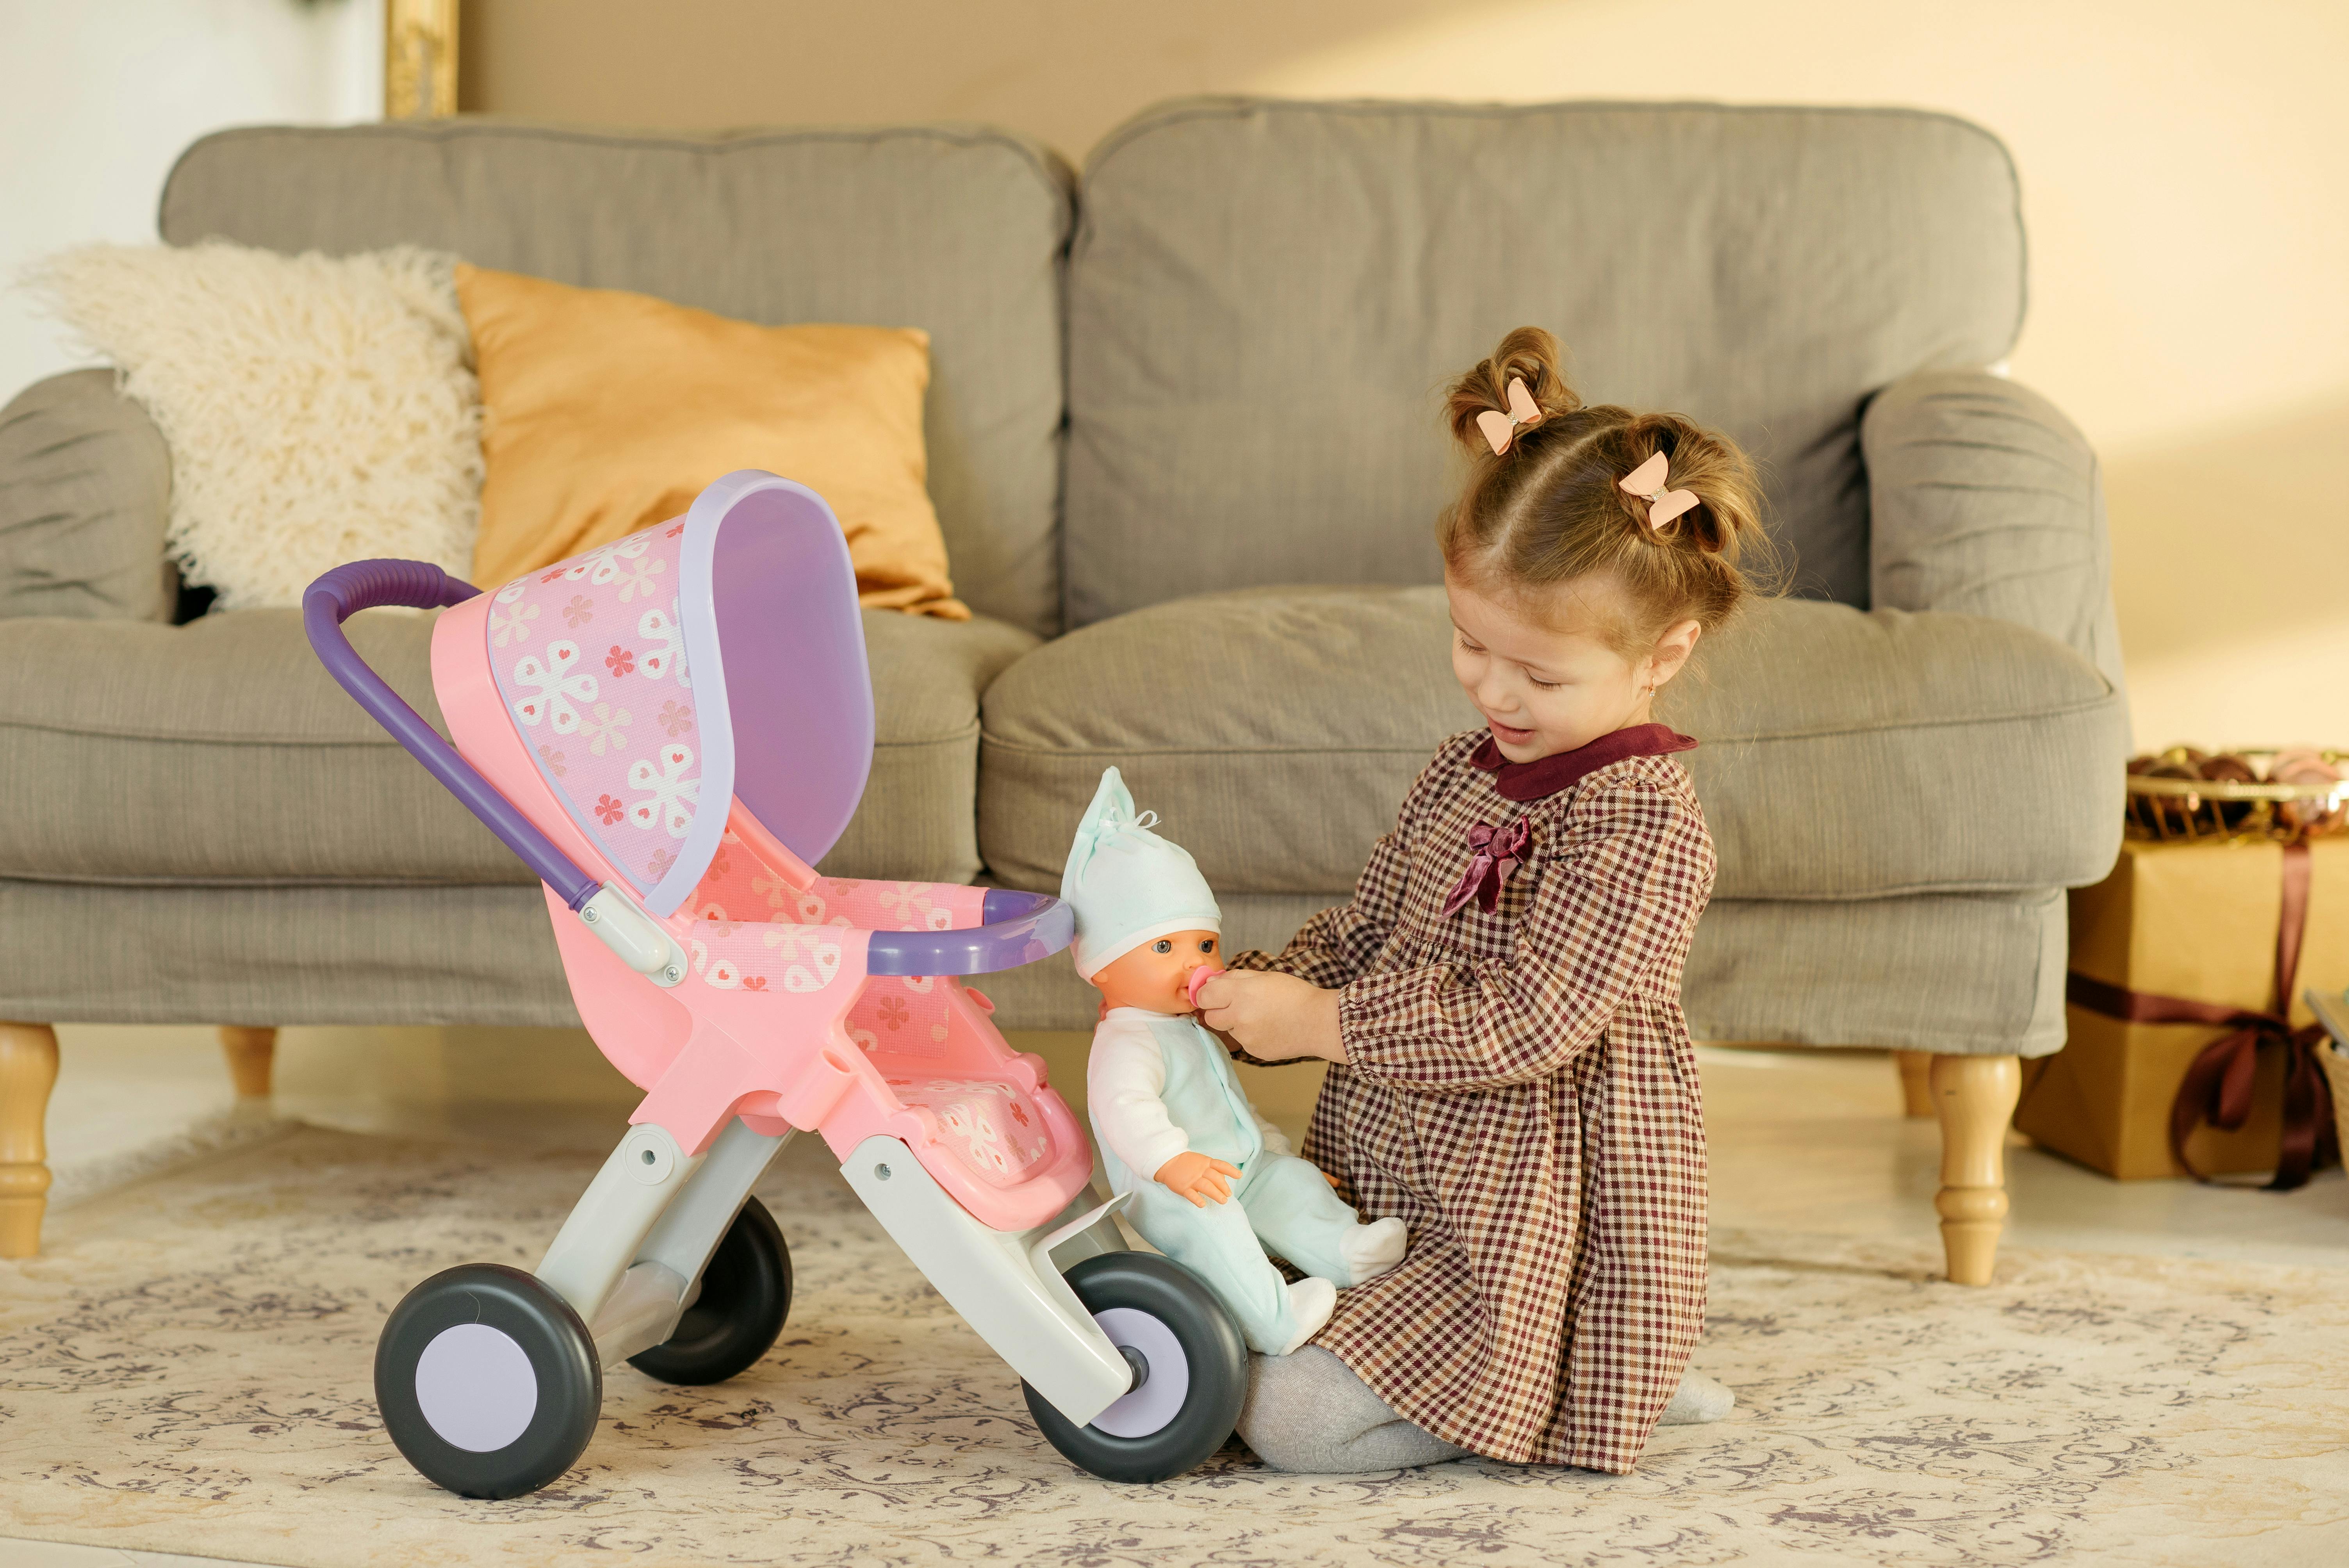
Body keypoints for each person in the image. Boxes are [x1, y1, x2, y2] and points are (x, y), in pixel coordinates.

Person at [1198, 325, 1762, 1475]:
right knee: (1241, 1319)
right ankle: (1555, 1381)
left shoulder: (1645, 827)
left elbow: (1527, 1020)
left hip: (1531, 1207)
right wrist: (1259, 982)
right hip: (1408, 1177)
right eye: (1470, 644)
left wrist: (1325, 1027)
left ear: (1661, 656)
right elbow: (1372, 927)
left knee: (1283, 1425)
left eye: (1541, 675)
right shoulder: (1465, 771)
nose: (1493, 691)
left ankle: (1573, 1387)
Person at [1062, 767, 1406, 1356]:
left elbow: (1229, 1104)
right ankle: (1275, 1319)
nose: (1193, 962)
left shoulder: (1187, 1026)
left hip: (1237, 1165)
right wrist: (1170, 1162)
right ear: (1102, 967)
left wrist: (1269, 1147)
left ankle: (1347, 1252)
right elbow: (1124, 1108)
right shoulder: (1128, 1040)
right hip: (1177, 1186)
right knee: (1220, 1239)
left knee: (1292, 1183)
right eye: (1165, 947)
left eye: (1205, 944)